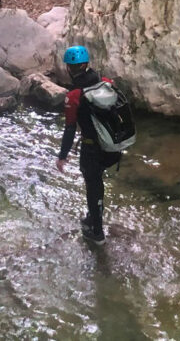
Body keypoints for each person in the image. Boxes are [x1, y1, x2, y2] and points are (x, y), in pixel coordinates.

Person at [56, 45, 121, 245]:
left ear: (68, 68)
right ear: (86, 65)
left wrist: (62, 156)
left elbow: (69, 129)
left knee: (92, 186)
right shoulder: (105, 82)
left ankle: (97, 232)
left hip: (92, 147)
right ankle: (93, 218)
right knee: (97, 182)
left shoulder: (74, 96)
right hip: (112, 146)